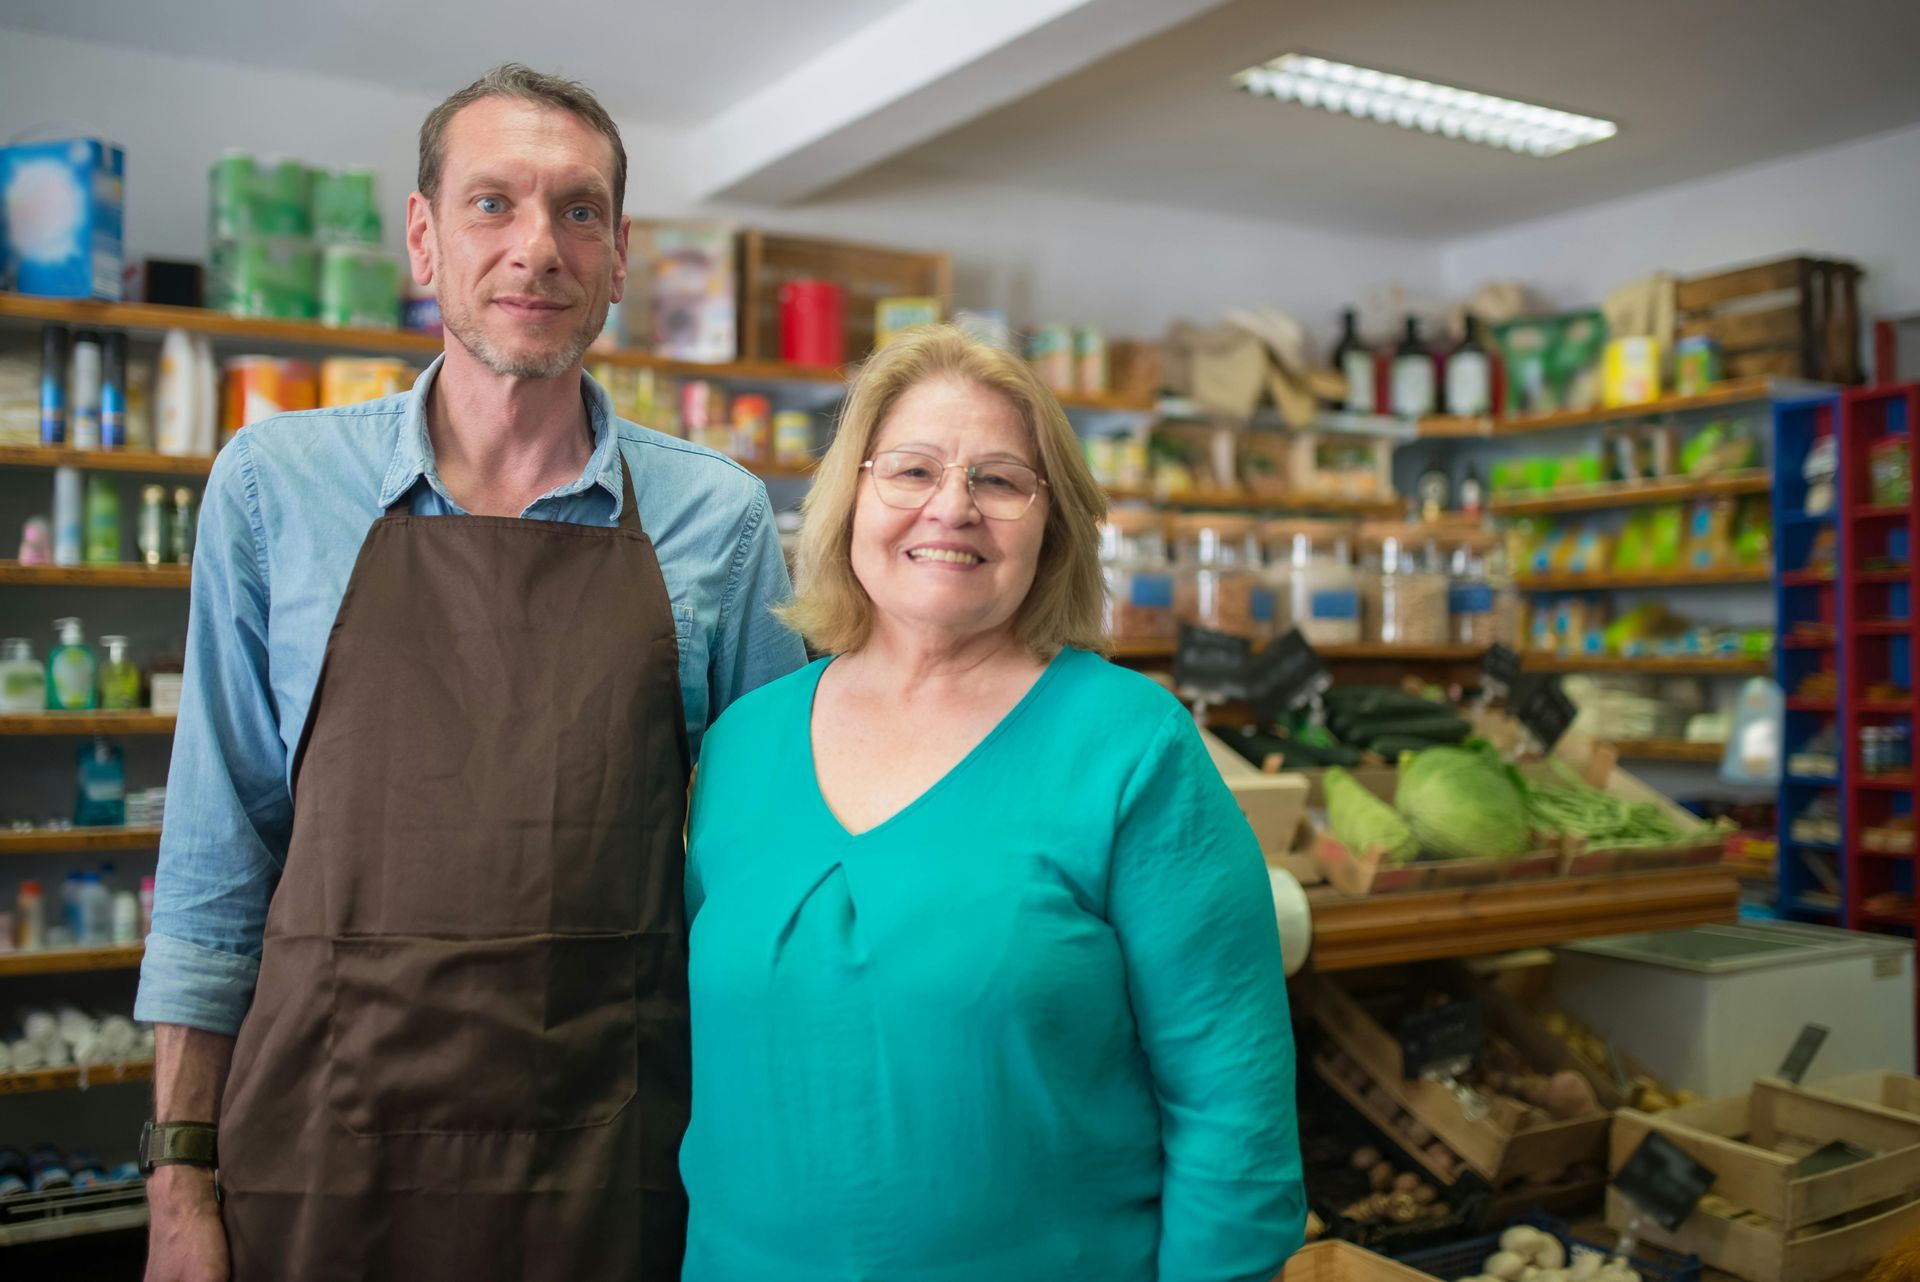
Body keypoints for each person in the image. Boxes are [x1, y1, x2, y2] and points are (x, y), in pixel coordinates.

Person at [135, 65, 804, 1282]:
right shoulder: (275, 487)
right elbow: (215, 858)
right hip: (320, 1150)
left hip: (614, 1150)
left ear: (618, 255)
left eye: (580, 210)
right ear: (425, 237)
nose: (537, 247)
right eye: (494, 203)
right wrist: (179, 1171)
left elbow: (768, 878)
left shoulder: (722, 518)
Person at [680, 325, 1305, 1282]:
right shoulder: (742, 746)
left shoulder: (1131, 747)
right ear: (851, 495)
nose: (953, 508)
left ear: (1053, 523)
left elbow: (1236, 1108)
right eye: (914, 470)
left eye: (1001, 480)